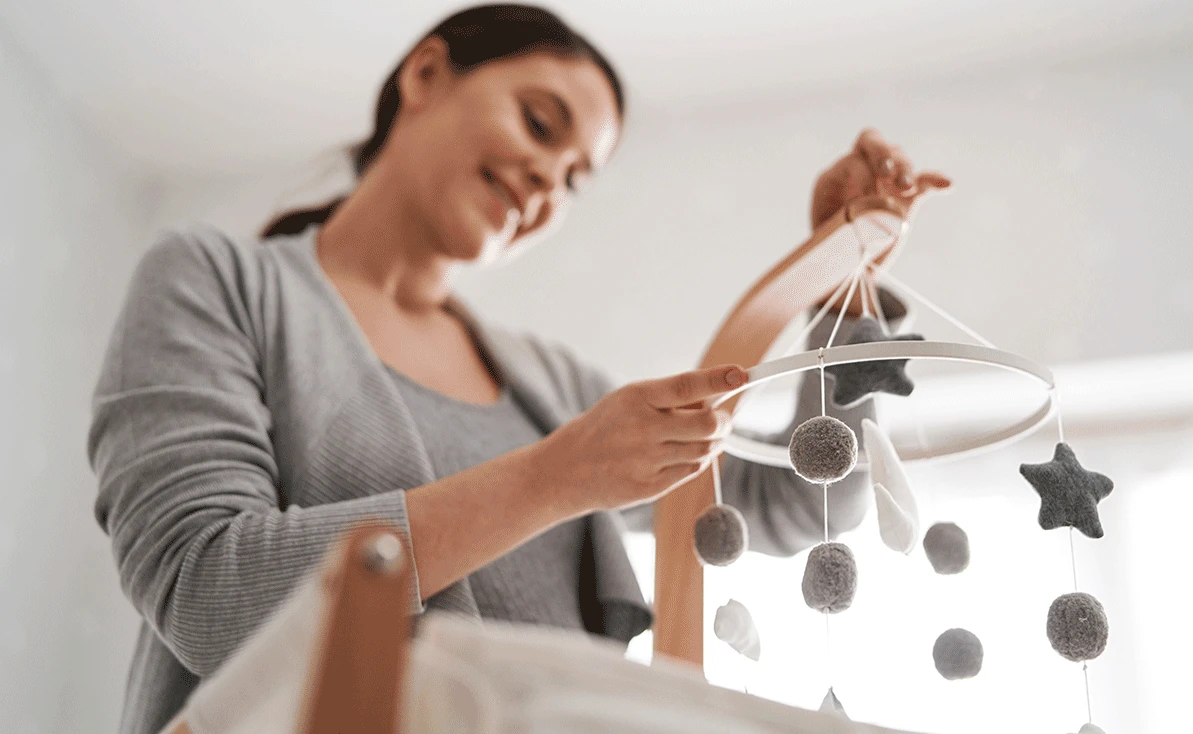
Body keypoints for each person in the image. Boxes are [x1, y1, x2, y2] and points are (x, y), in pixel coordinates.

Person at [88, 4, 948, 733]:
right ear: (425, 75)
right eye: (541, 125)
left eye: (575, 178)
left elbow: (796, 501)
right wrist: (559, 474)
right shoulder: (217, 280)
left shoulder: (553, 382)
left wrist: (843, 287)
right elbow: (206, 591)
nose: (547, 179)